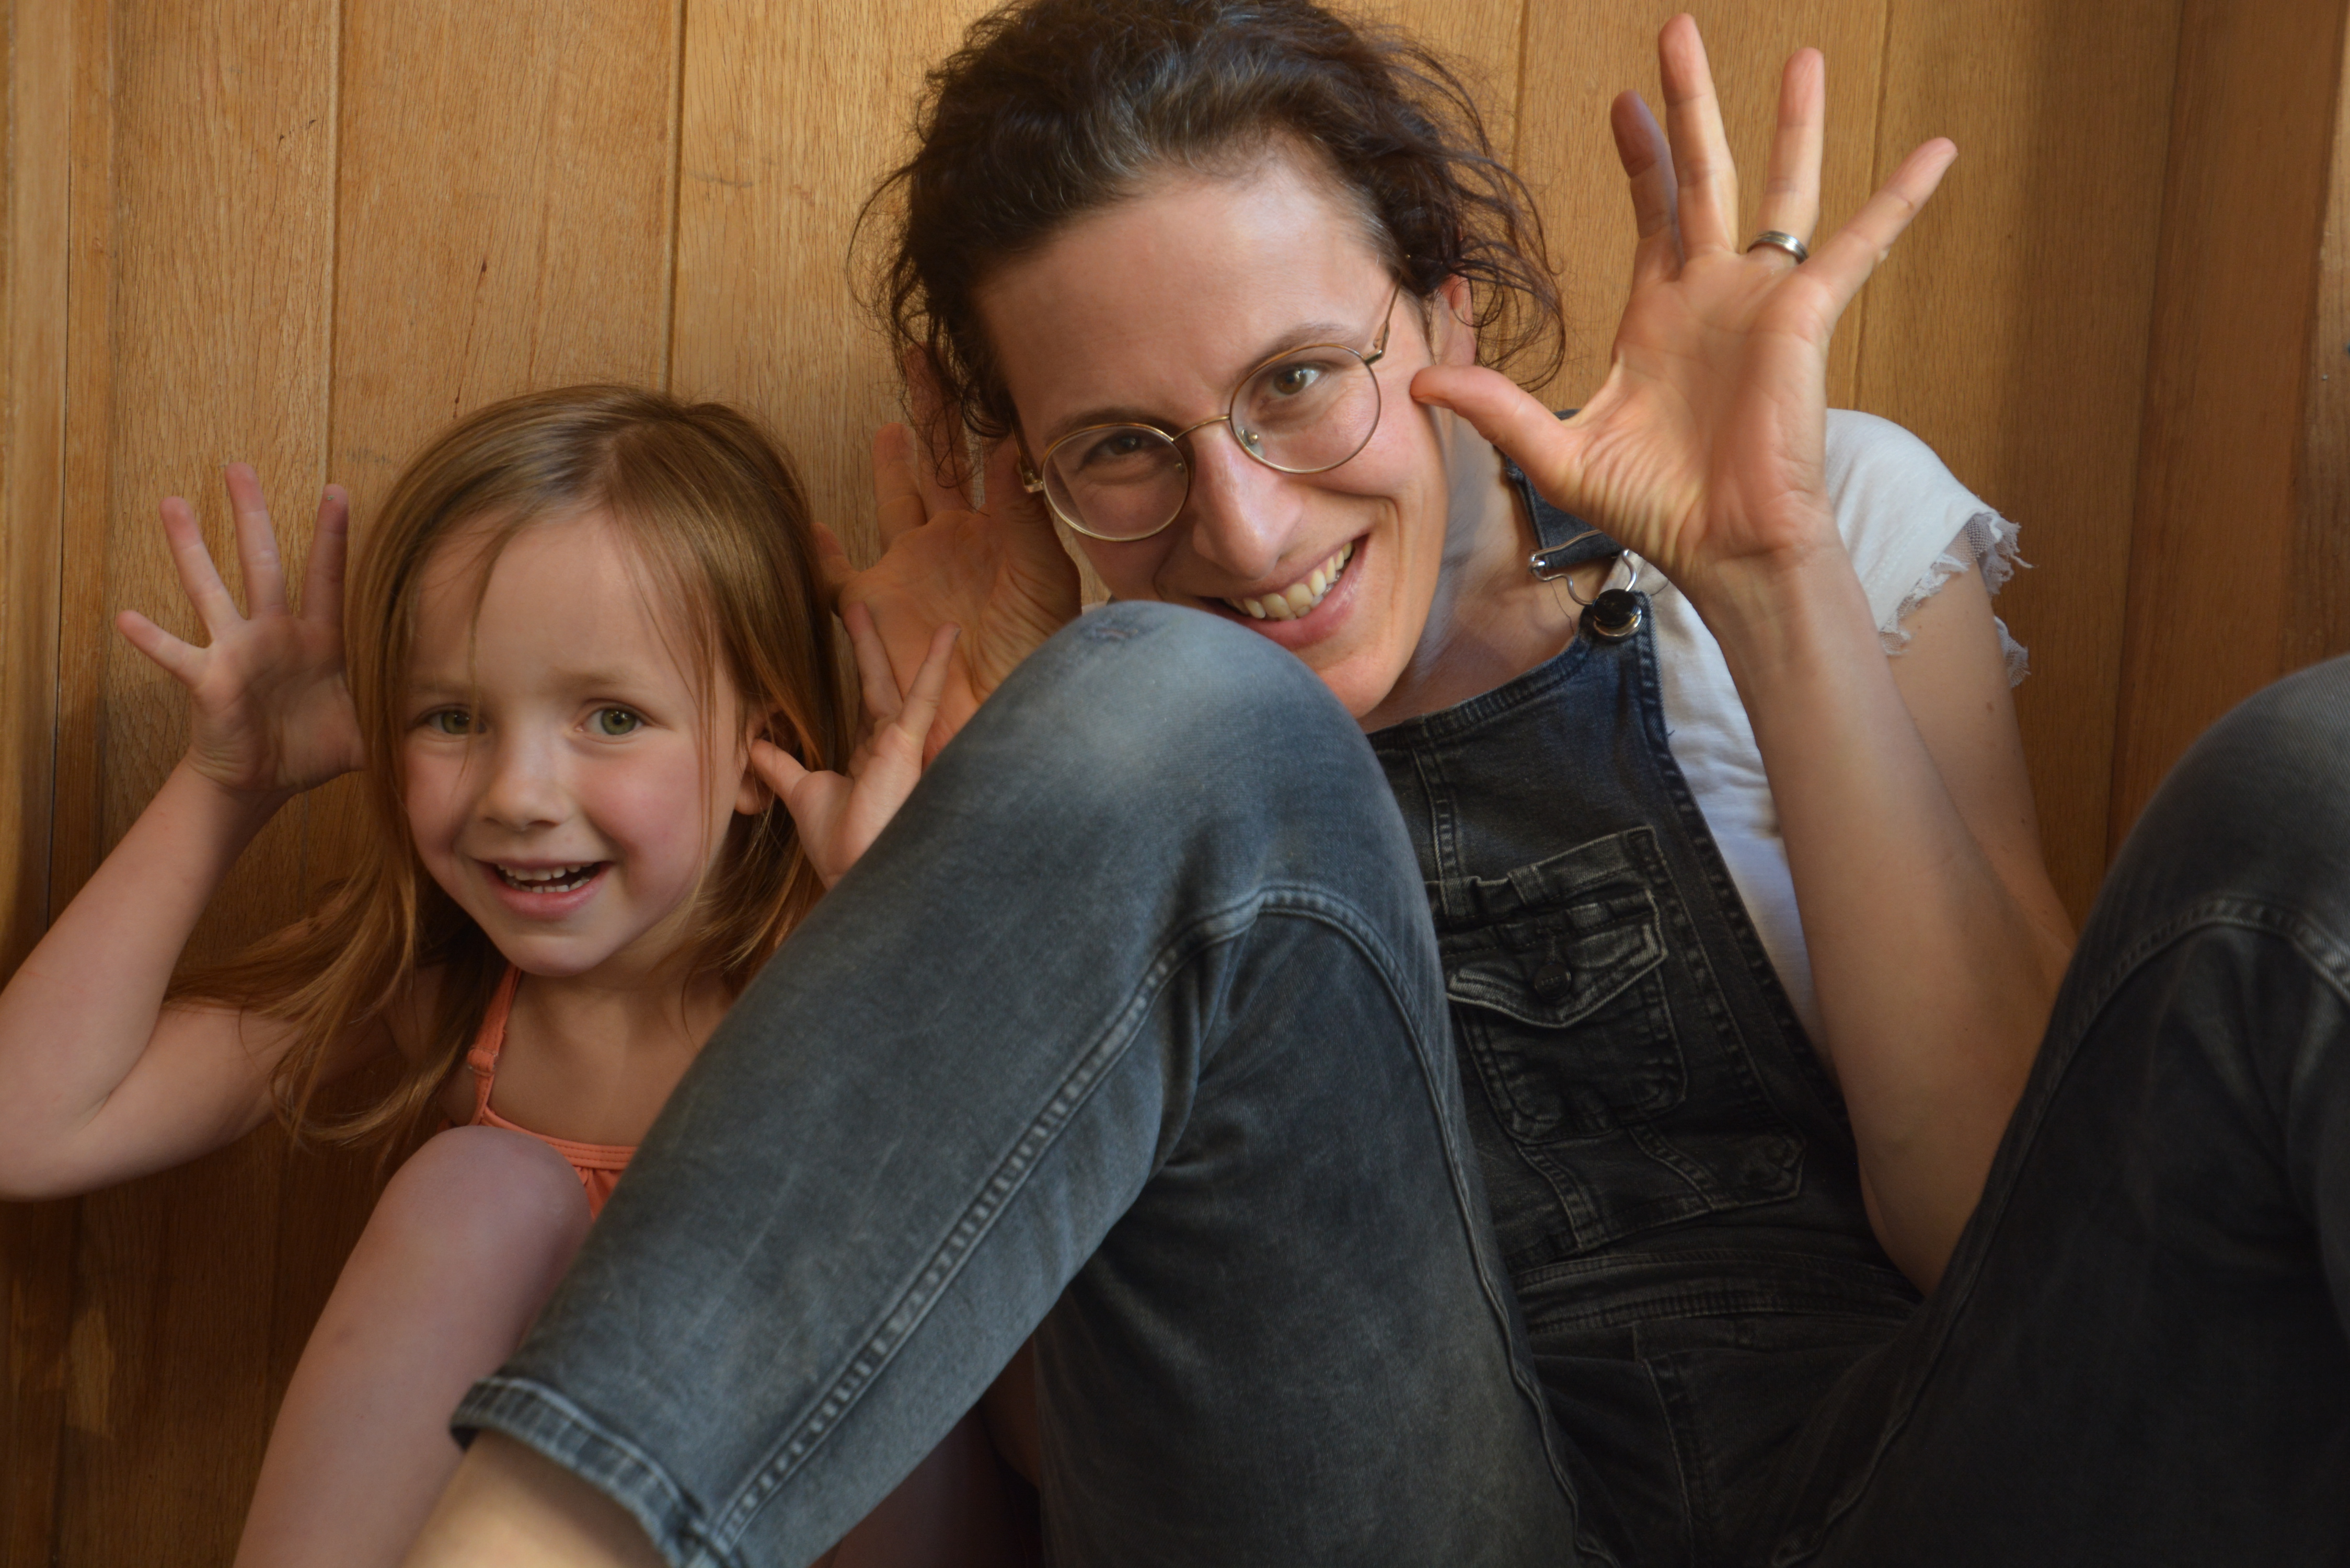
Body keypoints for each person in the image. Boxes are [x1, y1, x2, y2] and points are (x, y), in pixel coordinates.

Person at [404, 6, 2349, 1566]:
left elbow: (2009, 1227)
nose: (1246, 527)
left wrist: (1770, 583)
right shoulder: (1115, 732)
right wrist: (985, 815)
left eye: (1297, 380)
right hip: (1379, 1514)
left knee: (2316, 767)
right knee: (1171, 695)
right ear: (1029, 470)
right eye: (1120, 450)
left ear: (1446, 305)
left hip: (1946, 1486)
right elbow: (1081, 1455)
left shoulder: (1820, 505)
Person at [0, 387, 1028, 1568]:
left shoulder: (832, 966)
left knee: (834, 1206)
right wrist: (231, 783)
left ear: (766, 754)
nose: (517, 795)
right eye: (451, 717)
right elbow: (30, 1127)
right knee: (481, 1185)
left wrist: (898, 936)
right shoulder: (442, 990)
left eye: (611, 717)